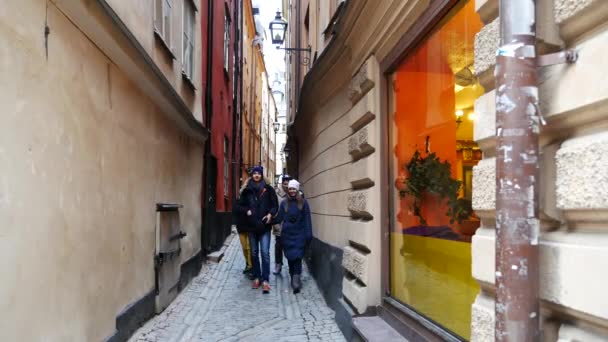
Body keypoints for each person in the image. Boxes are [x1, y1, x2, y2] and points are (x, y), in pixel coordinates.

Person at [235, 165, 278, 293]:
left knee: (265, 253)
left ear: (262, 175)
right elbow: (239, 207)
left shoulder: (268, 189)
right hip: (251, 227)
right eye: (254, 173)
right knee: (254, 253)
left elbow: (275, 205)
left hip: (264, 227)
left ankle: (265, 280)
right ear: (252, 175)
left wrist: (270, 214)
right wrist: (246, 210)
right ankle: (257, 277)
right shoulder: (247, 190)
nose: (257, 175)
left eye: (259, 173)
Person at [273, 179, 312, 294]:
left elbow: (307, 220)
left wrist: (309, 235)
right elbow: (279, 218)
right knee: (290, 257)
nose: (292, 191)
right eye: (290, 189)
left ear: (297, 189)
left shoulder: (304, 203)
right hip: (287, 236)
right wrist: (269, 219)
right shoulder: (284, 203)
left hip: (299, 234)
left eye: (294, 188)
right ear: (288, 190)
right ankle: (292, 275)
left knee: (298, 257)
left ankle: (296, 279)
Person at [272, 174, 291, 275]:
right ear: (282, 183)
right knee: (278, 245)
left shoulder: (293, 192)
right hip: (279, 224)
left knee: (290, 246)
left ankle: (293, 266)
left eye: (288, 184)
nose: (286, 186)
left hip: (290, 225)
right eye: (284, 184)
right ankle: (278, 264)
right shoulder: (277, 194)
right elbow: (274, 208)